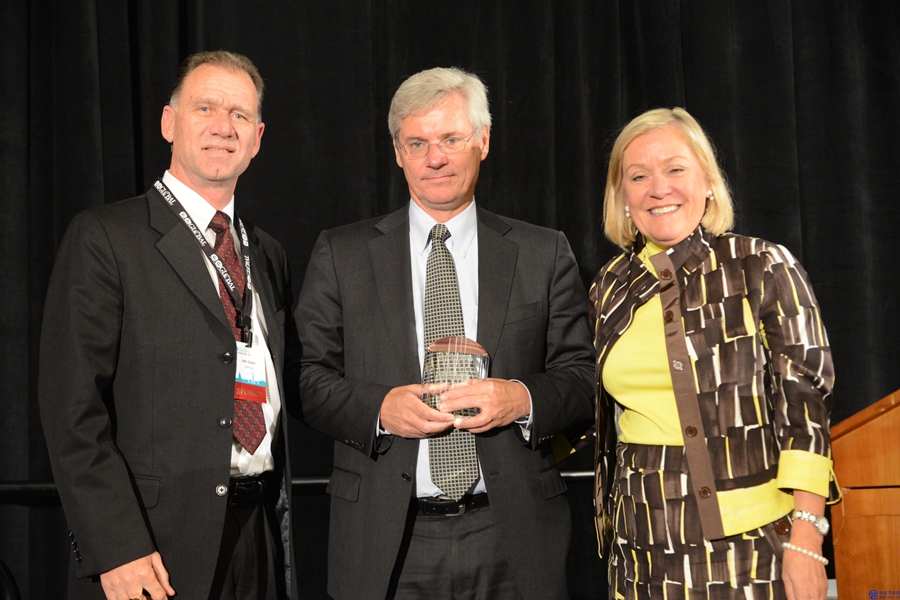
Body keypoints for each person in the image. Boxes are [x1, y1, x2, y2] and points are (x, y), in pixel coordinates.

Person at [295, 67, 595, 600]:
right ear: (398, 152)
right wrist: (379, 409)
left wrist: (521, 398)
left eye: (451, 139)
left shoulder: (543, 252)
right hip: (385, 538)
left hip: (513, 534)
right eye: (418, 143)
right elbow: (307, 377)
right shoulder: (342, 254)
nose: (435, 158)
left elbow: (583, 377)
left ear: (483, 141)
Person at [38, 50, 300, 600]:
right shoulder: (106, 237)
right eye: (205, 108)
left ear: (257, 138)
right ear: (168, 123)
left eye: (240, 115)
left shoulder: (267, 253)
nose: (223, 127)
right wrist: (116, 547)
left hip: (258, 531)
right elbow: (72, 409)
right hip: (152, 545)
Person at [590, 107, 837, 600]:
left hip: (747, 548)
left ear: (707, 182)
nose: (658, 188)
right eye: (638, 176)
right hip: (637, 551)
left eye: (675, 168)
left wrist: (807, 540)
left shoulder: (761, 265)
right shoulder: (608, 287)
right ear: (622, 197)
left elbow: (805, 409)